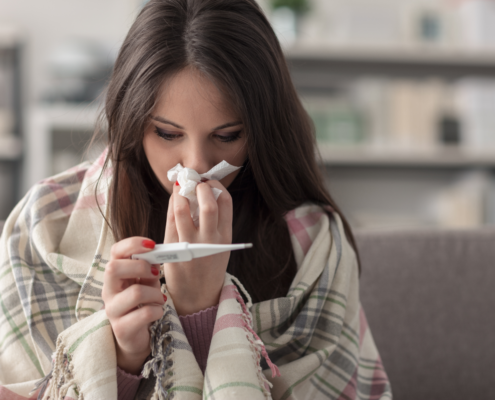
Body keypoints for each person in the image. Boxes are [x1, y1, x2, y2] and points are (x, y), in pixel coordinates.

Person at [0, 0, 392, 399]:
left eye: (227, 136)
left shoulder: (314, 246)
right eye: (168, 134)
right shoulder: (45, 223)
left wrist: (201, 313)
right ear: (131, 120)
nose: (196, 165)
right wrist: (120, 358)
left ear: (262, 128)